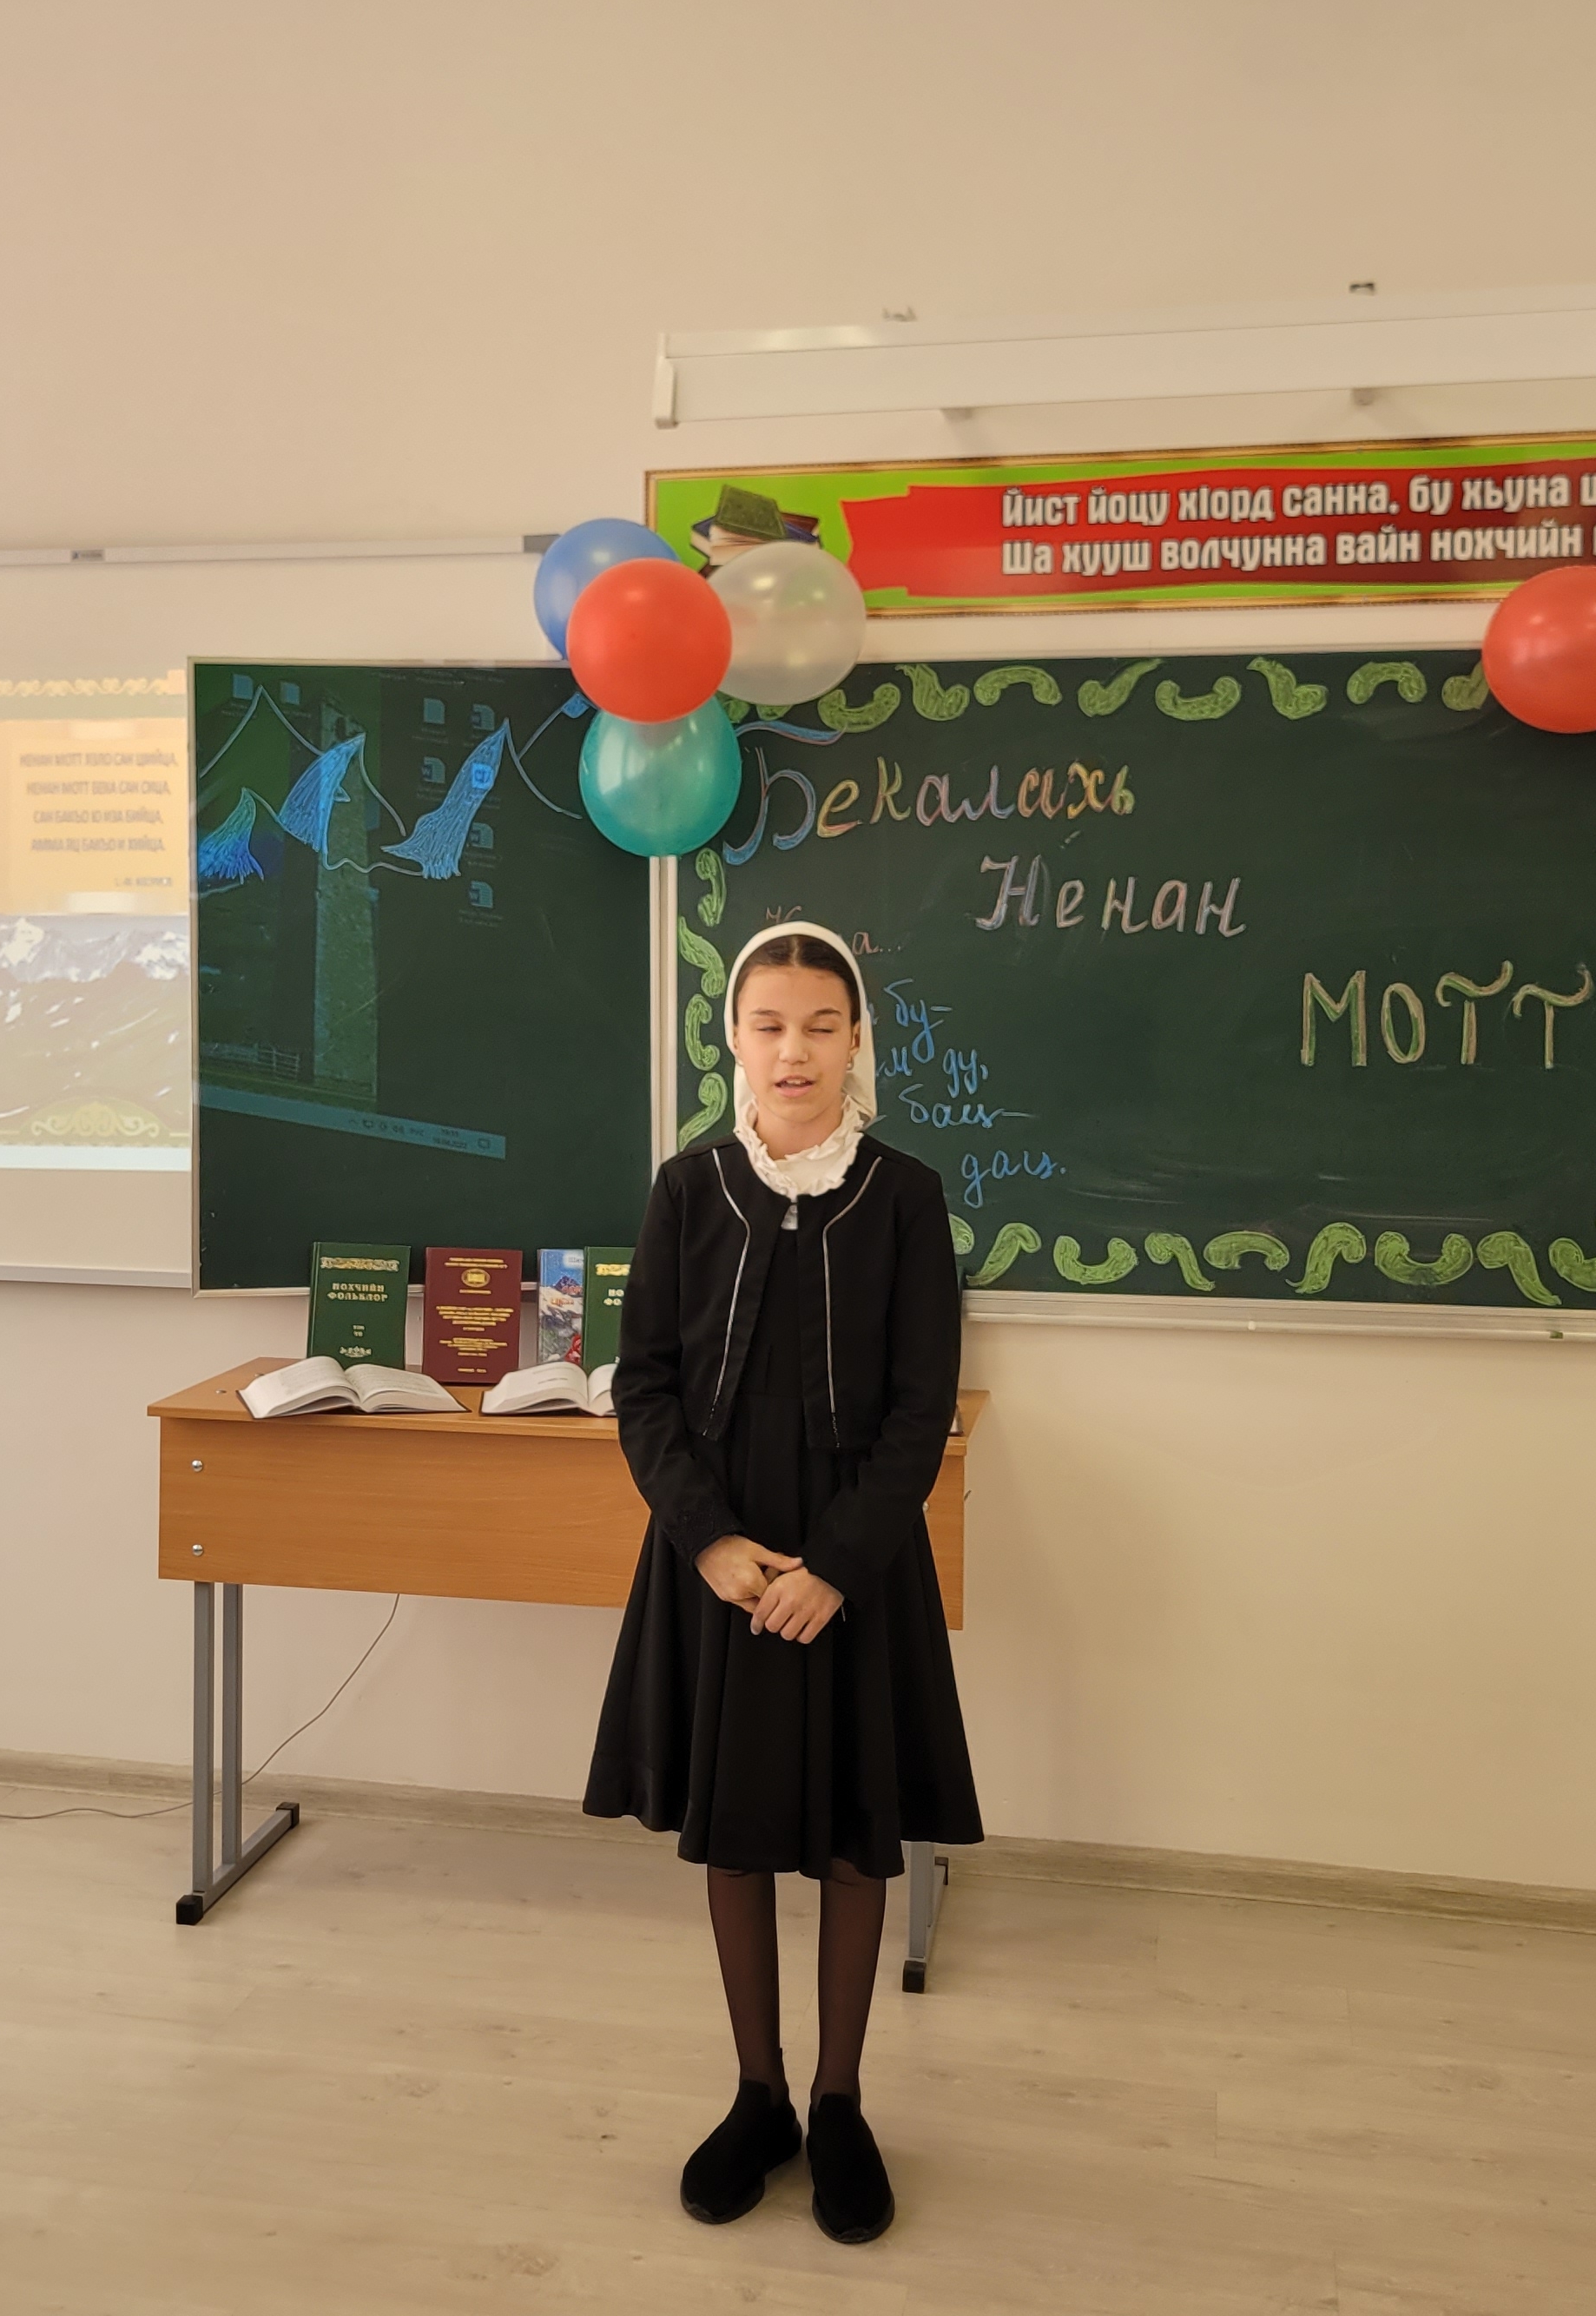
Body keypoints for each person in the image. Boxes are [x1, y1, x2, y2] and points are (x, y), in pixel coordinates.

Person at [585, 921, 980, 2245]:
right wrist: (706, 1541)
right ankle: (758, 2094)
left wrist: (842, 1566)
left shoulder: (906, 1195)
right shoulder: (687, 1187)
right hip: (723, 1554)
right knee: (740, 1824)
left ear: (856, 1039)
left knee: (856, 1831)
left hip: (853, 1555)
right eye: (769, 1025)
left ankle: (840, 2100)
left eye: (821, 1025)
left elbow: (922, 1409)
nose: (794, 1050)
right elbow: (645, 1386)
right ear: (734, 1038)